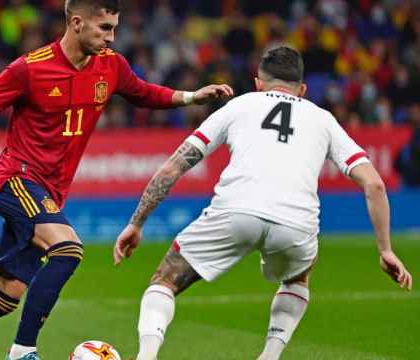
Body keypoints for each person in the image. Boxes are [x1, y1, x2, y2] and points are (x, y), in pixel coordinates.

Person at [0, 1, 233, 359]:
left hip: (48, 193)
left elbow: (143, 93)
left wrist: (193, 97)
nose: (111, 37)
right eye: (104, 28)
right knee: (68, 249)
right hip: (15, 180)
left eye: (114, 28)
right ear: (77, 23)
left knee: (2, 296)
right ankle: (22, 352)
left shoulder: (110, 65)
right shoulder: (29, 69)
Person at [113, 46, 413, 360]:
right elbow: (375, 184)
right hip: (295, 225)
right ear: (303, 90)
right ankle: (269, 356)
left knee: (165, 279)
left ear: (258, 83)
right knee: (299, 275)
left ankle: (146, 355)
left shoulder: (240, 106)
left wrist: (136, 223)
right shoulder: (323, 119)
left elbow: (173, 167)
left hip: (234, 212)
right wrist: (386, 250)